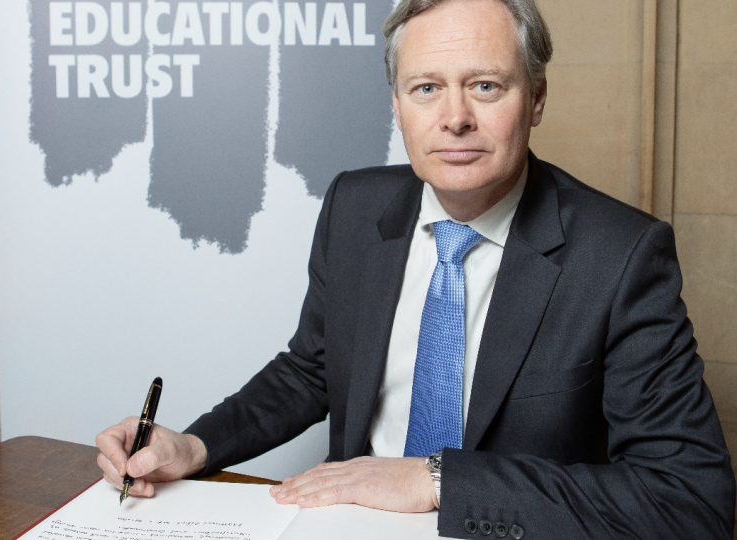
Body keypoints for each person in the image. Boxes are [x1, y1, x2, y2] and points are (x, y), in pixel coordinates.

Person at [97, 0, 736, 537]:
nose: (454, 117)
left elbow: (690, 499)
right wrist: (196, 446)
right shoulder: (355, 204)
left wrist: (436, 480)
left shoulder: (621, 254)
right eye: (426, 87)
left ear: (536, 99)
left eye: (485, 85)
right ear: (397, 103)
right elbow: (313, 366)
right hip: (344, 526)